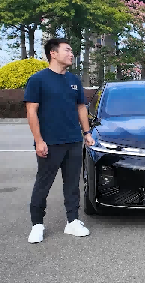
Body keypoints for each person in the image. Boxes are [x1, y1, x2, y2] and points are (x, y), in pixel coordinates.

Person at [24, 38, 93, 244]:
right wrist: (39, 141)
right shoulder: (38, 80)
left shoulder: (74, 80)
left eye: (72, 51)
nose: (71, 54)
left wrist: (87, 132)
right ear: (53, 53)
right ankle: (37, 224)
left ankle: (72, 221)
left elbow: (81, 107)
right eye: (67, 50)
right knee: (43, 184)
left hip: (73, 141)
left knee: (72, 184)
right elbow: (31, 111)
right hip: (49, 143)